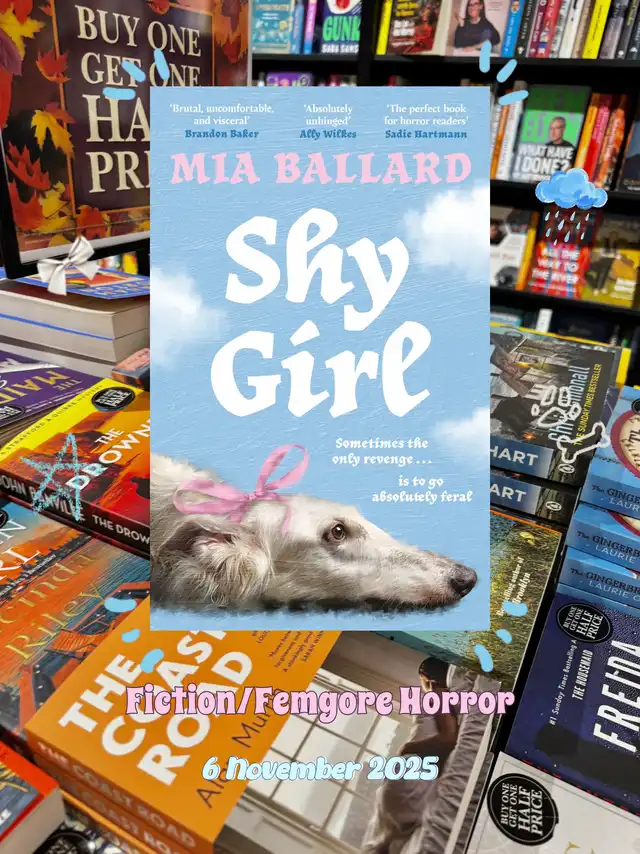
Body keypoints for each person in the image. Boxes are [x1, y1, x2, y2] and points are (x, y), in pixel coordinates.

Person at [361, 659, 459, 854]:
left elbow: (449, 737)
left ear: (426, 677)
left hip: (410, 770)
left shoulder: (435, 691)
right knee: (392, 841)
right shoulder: (436, 695)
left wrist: (408, 748)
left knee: (389, 841)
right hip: (409, 771)